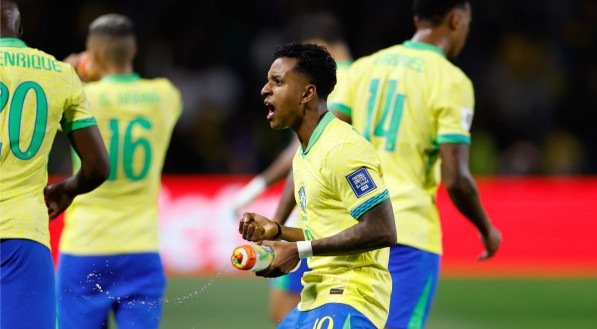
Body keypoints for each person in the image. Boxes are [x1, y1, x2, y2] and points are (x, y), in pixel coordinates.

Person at [328, 1, 503, 328]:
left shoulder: (363, 67)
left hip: (350, 232)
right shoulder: (451, 81)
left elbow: (321, 146)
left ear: (416, 19)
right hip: (406, 235)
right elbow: (456, 179)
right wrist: (486, 229)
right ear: (456, 20)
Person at [239, 42, 396, 329]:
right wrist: (277, 231)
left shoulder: (343, 148)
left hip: (350, 297)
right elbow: (328, 230)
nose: (264, 90)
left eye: (277, 82)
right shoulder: (306, 153)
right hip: (315, 297)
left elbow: (382, 229)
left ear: (307, 94)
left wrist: (298, 250)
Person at [56, 14, 182, 329]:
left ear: (93, 56)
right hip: (141, 249)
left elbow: (51, 92)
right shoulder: (165, 95)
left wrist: (68, 71)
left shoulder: (78, 95)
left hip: (86, 247)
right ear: (134, 51)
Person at [231, 12, 353, 323]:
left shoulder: (344, 82)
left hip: (331, 211)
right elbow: (303, 155)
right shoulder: (360, 77)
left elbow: (303, 150)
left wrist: (257, 188)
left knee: (286, 307)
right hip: (325, 205)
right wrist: (277, 227)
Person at [0, 1, 110, 328]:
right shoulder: (59, 74)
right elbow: (98, 166)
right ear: (19, 29)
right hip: (22, 234)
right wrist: (68, 188)